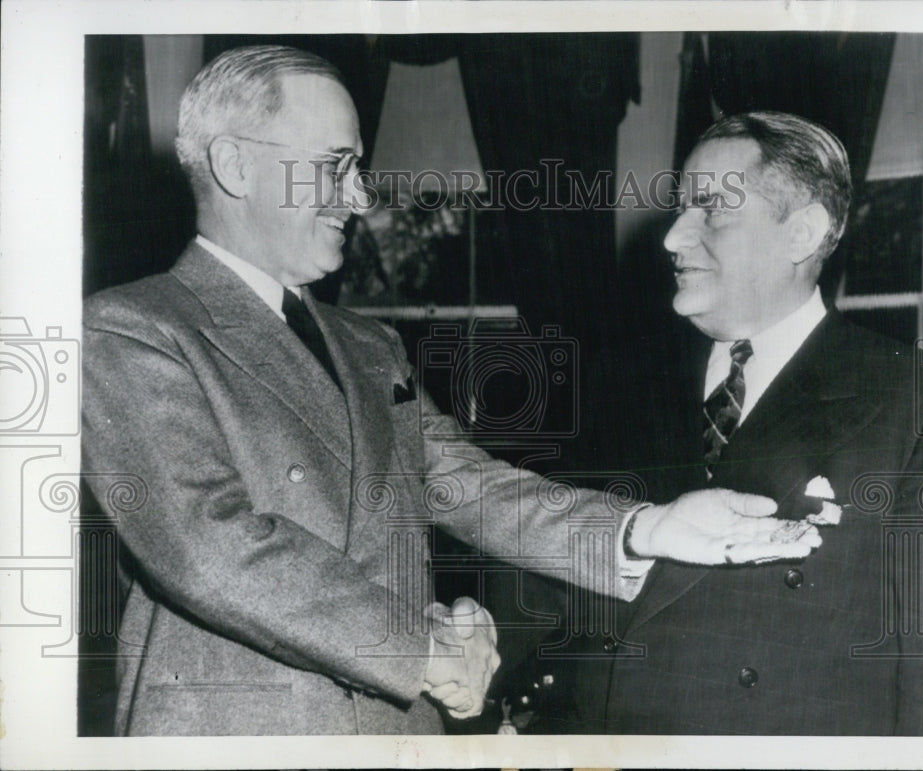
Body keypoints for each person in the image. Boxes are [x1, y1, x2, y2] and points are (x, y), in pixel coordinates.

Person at [80, 47, 820, 736]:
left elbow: (469, 487)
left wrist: (650, 529)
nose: (361, 193)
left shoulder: (368, 346)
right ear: (235, 166)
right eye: (336, 166)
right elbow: (208, 547)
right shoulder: (134, 329)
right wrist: (424, 648)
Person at [564, 111, 923, 735]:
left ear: (801, 234)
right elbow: (559, 591)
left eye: (712, 210)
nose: (674, 237)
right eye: (681, 208)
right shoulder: (620, 383)